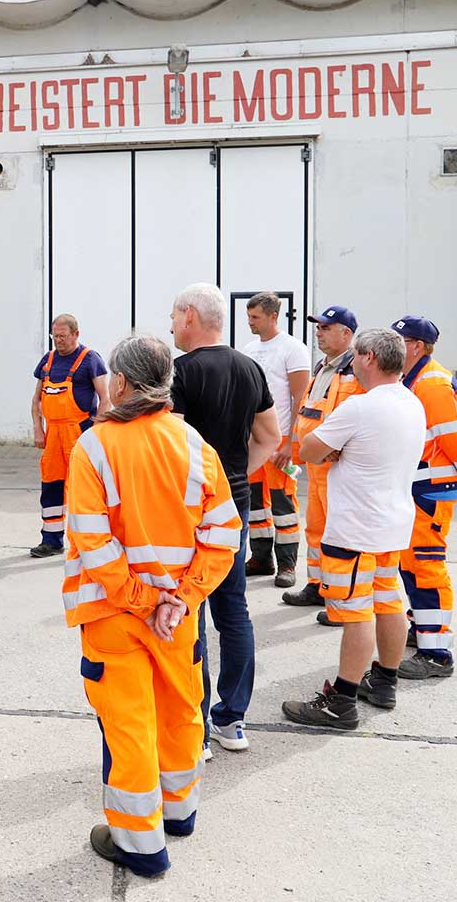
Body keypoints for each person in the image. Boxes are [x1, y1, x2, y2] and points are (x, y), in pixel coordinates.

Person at [63, 335, 241, 878]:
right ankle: (180, 814)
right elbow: (224, 535)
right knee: (181, 711)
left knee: (129, 725)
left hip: (115, 615)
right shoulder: (195, 446)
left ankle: (140, 846)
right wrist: (181, 598)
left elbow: (94, 543)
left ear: (120, 382)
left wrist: (142, 599)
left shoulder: (93, 446)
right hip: (176, 618)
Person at [282, 328, 426, 729]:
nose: (354, 363)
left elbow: (309, 449)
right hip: (392, 524)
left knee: (355, 610)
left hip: (355, 529)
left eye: (358, 356)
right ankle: (384, 680)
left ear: (370, 359)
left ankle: (341, 701)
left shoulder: (360, 408)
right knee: (388, 600)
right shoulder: (411, 404)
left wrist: (335, 449)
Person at [168, 284, 280, 756]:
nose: (171, 324)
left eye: (174, 316)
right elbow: (269, 436)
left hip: (189, 511)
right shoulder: (249, 367)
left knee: (188, 611)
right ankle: (232, 720)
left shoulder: (181, 372)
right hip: (234, 502)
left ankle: (194, 722)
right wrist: (233, 475)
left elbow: (168, 445)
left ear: (191, 316)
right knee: (233, 611)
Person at [391, 315, 457, 679]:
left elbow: (455, 440)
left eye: (398, 340)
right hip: (420, 485)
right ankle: (422, 630)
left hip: (430, 487)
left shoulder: (430, 383)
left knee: (425, 564)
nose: (392, 345)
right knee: (411, 563)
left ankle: (436, 653)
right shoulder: (414, 377)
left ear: (416, 346)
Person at [281, 306, 360, 609]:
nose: (319, 333)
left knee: (339, 530)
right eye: (318, 328)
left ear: (346, 333)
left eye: (326, 328)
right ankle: (317, 585)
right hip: (317, 465)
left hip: (338, 465)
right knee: (316, 527)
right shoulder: (322, 367)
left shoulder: (358, 369)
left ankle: (341, 597)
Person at [240, 292, 311, 588]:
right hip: (254, 440)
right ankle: (261, 558)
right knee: (255, 501)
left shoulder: (292, 349)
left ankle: (287, 564)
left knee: (283, 502)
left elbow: (300, 398)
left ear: (273, 316)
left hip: (281, 438)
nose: (250, 323)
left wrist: (289, 443)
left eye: (255, 317)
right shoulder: (249, 349)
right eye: (249, 317)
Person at [30, 313, 110, 557]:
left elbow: (106, 399)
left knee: (83, 490)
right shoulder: (48, 361)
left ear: (76, 334)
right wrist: (37, 427)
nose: (59, 341)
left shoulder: (90, 360)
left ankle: (87, 544)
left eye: (63, 336)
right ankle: (51, 541)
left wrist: (96, 434)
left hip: (80, 431)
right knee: (51, 487)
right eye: (55, 336)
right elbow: (36, 400)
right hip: (53, 434)